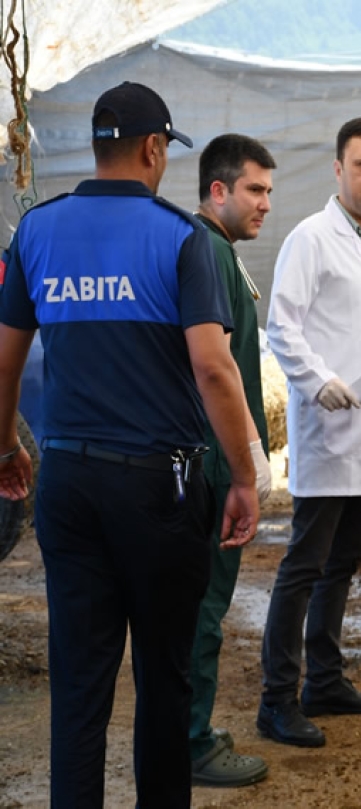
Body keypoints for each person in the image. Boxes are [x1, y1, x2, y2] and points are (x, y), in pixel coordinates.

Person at [0, 82, 259, 808]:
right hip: (160, 491)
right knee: (162, 678)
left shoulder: (38, 231)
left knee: (80, 684)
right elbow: (213, 366)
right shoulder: (181, 239)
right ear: (153, 149)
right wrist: (243, 475)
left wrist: (2, 449)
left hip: (71, 484)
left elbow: (4, 361)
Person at [257, 116, 361, 748]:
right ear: (339, 170)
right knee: (304, 564)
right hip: (329, 428)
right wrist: (315, 380)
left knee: (344, 563)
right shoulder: (311, 239)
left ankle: (324, 680)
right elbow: (282, 326)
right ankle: (277, 700)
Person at [188, 133, 277, 787]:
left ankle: (189, 728)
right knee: (205, 607)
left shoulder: (217, 251)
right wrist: (245, 463)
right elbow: (215, 371)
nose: (265, 204)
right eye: (254, 190)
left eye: (269, 191)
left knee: (202, 604)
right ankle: (190, 740)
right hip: (216, 466)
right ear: (217, 190)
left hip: (219, 460)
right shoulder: (209, 254)